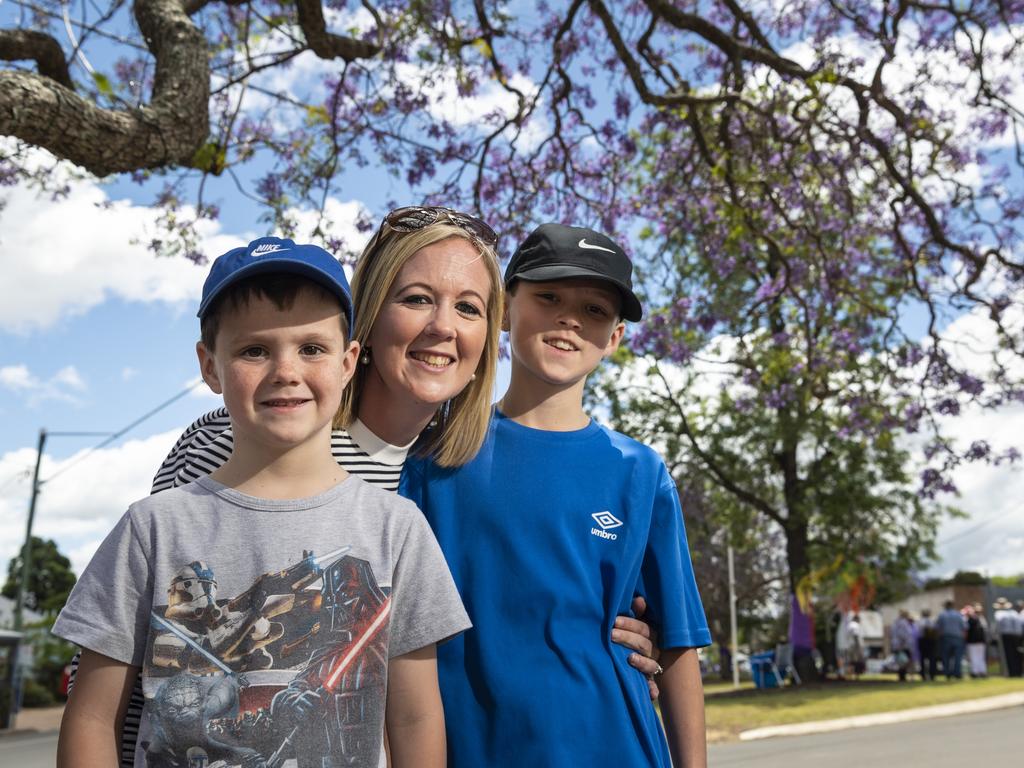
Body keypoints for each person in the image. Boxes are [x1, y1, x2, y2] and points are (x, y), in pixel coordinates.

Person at [66, 208, 660, 767]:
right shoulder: (233, 437)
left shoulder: (462, 474)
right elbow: (144, 659)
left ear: (489, 336)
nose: (442, 328)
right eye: (417, 299)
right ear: (367, 323)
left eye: (469, 308)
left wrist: (615, 631)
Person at [55, 237, 472, 767]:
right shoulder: (151, 528)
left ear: (348, 362)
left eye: (312, 348)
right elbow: (92, 716)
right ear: (210, 366)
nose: (285, 371)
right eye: (254, 350)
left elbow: (414, 717)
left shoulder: (398, 528)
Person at [401, 223, 712, 768]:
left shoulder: (640, 472)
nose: (570, 318)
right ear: (504, 308)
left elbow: (679, 642)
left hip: (621, 749)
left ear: (614, 338)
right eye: (549, 297)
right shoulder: (434, 461)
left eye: (595, 310)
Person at [936, 598, 966, 679]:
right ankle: (957, 673)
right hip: (958, 638)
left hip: (946, 638)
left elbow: (938, 628)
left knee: (946, 657)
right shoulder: (958, 615)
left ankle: (947, 673)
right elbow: (964, 627)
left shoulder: (942, 615)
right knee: (957, 657)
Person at [994, 596, 1023, 677]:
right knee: (1016, 655)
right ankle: (1018, 672)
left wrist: (995, 636)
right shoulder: (1014, 613)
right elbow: (1019, 625)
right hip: (1017, 636)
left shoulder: (999, 614)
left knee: (1008, 655)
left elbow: (997, 627)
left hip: (1006, 636)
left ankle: (1011, 672)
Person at [890, 610, 915, 682]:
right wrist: (902, 644)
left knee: (900, 661)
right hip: (903, 645)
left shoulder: (896, 622)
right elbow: (903, 635)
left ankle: (902, 676)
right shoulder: (903, 623)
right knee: (904, 661)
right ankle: (903, 676)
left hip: (897, 645)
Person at [964, 603, 988, 678]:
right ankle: (982, 671)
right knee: (980, 657)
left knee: (974, 657)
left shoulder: (971, 619)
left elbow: (967, 630)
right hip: (981, 641)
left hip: (973, 641)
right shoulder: (982, 619)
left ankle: (975, 672)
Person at [917, 607, 939, 680]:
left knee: (923, 659)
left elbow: (918, 633)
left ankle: (923, 675)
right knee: (932, 658)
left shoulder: (920, 621)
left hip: (923, 641)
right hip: (931, 641)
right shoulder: (932, 621)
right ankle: (932, 674)